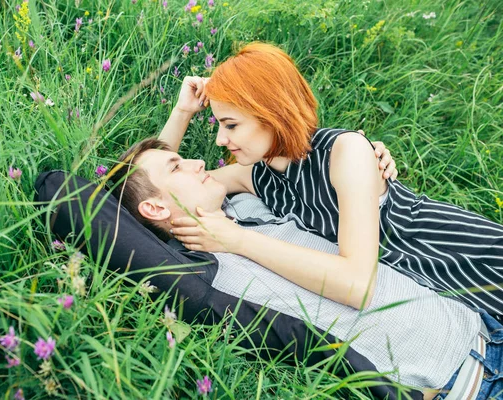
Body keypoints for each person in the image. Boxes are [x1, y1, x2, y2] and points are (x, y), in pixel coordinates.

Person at [108, 137, 503, 400]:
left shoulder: (246, 206)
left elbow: (152, 190)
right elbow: (126, 219)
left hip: (485, 328)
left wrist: (364, 154)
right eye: (178, 166)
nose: (197, 162)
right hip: (466, 385)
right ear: (156, 209)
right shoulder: (204, 270)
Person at [160, 42, 503, 318]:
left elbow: (356, 285)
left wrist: (234, 239)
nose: (221, 140)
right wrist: (182, 111)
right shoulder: (255, 176)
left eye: (231, 125)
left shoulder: (344, 152)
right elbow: (152, 183)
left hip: (473, 259)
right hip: (453, 302)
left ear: (272, 113)